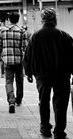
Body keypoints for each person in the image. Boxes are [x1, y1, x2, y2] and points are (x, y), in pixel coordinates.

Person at [23, 8, 73, 139]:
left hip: (42, 75)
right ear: (55, 20)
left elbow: (28, 56)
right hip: (62, 75)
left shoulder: (35, 36)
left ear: (42, 21)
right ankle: (59, 132)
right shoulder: (64, 36)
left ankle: (45, 129)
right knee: (61, 103)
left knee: (43, 101)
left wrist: (28, 72)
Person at [0, 12, 27, 114]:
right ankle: (19, 99)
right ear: (18, 20)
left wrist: (0, 56)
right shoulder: (22, 31)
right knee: (19, 80)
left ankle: (11, 102)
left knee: (9, 81)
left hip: (7, 61)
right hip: (18, 60)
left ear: (9, 20)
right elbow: (24, 48)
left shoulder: (2, 30)